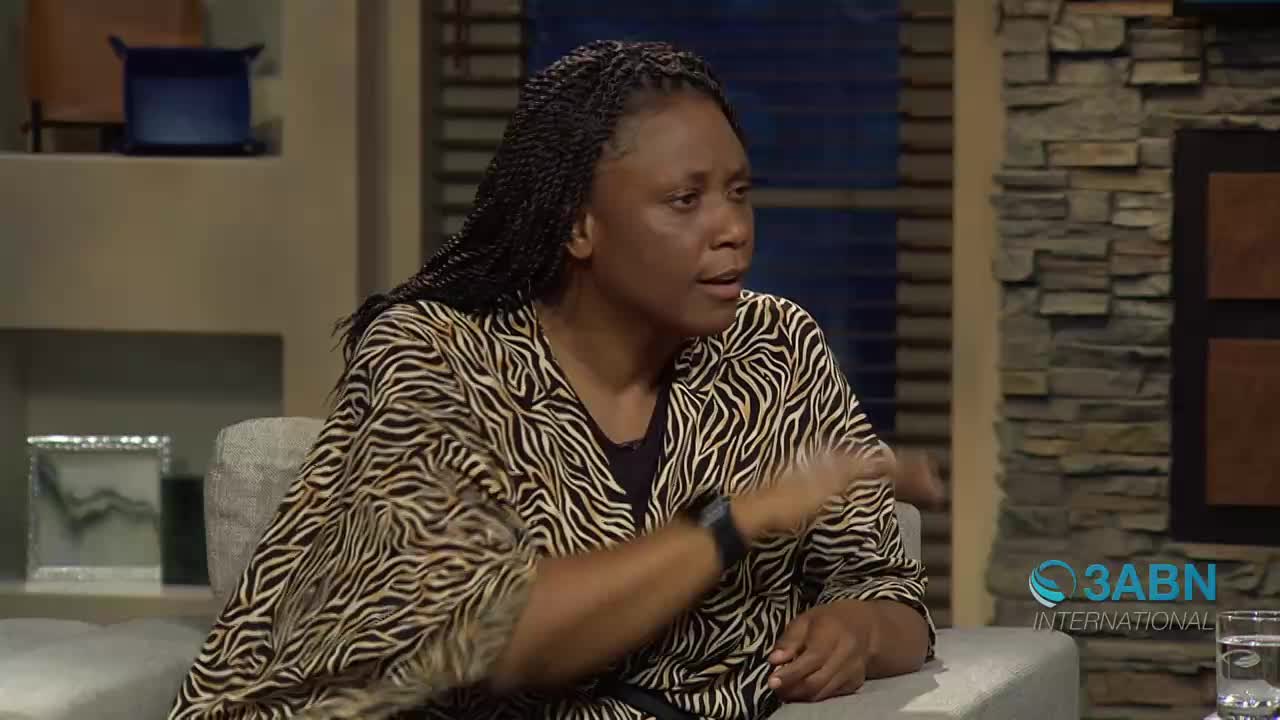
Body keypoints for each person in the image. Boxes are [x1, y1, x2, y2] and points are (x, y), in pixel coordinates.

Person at [168, 40, 937, 720]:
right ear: (578, 225)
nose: (732, 227)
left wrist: (857, 632)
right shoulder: (436, 360)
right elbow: (489, 635)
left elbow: (891, 595)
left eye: (739, 192)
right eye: (685, 199)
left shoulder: (773, 350)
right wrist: (734, 521)